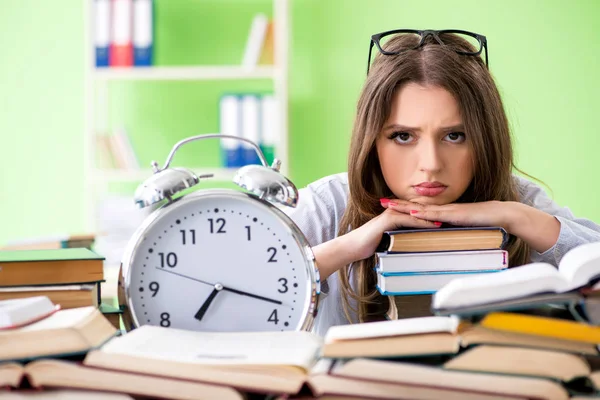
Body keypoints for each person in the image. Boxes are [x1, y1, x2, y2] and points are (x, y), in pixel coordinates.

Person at [285, 29, 600, 337]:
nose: (431, 164)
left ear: (484, 139)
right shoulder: (328, 206)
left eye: (455, 136)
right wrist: (347, 246)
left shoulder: (520, 202)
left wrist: (517, 218)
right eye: (403, 136)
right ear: (372, 141)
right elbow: (245, 298)